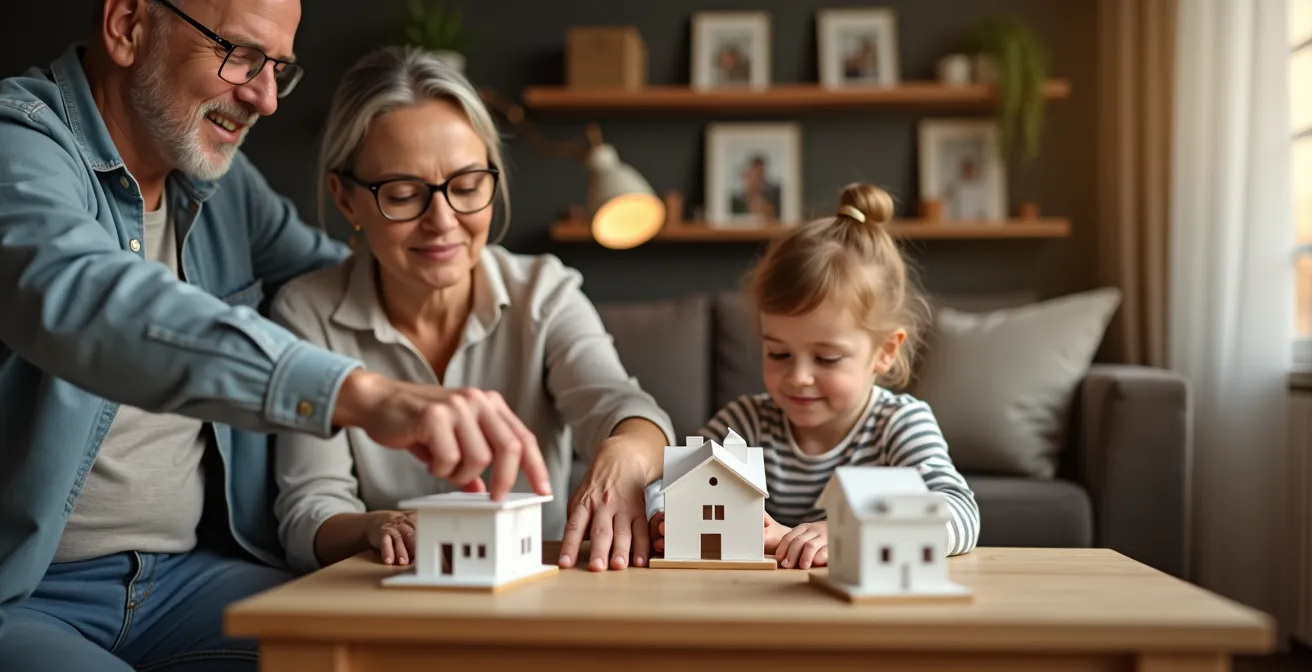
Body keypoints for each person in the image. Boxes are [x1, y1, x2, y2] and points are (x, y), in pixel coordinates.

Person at [0, 1, 547, 670]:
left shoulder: (220, 185)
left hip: (188, 581)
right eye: (240, 55)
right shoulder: (18, 146)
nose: (264, 97)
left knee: (405, 655)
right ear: (127, 26)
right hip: (23, 594)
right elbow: (87, 300)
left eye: (279, 68)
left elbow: (345, 283)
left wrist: (477, 276)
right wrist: (364, 394)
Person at [269, 45, 675, 576]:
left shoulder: (543, 292)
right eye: (403, 193)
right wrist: (376, 526)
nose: (442, 221)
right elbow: (308, 512)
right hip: (386, 592)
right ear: (346, 199)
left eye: (466, 187)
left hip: (534, 587)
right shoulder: (307, 314)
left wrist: (625, 455)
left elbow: (623, 406)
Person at [646, 183, 981, 570]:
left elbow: (960, 514)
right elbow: (668, 485)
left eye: (826, 358)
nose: (799, 377)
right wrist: (664, 518)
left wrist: (848, 532)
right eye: (779, 353)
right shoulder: (746, 424)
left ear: (885, 351)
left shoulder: (899, 425)